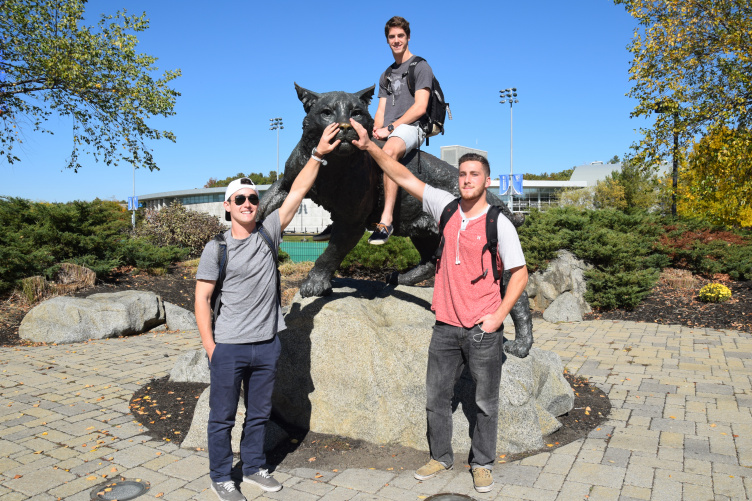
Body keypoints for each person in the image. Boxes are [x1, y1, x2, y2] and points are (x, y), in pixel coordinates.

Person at [350, 118, 528, 493]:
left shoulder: (498, 223)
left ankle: (481, 463)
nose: (466, 180)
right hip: (445, 325)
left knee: (485, 403)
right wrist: (369, 147)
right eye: (462, 174)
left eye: (474, 175)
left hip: (482, 330)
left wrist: (497, 318)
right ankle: (440, 457)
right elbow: (400, 173)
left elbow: (520, 274)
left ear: (486, 180)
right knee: (437, 398)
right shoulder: (444, 206)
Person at [195, 123, 341, 501]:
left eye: (252, 199)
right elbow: (201, 299)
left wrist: (318, 155)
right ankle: (221, 475)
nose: (247, 204)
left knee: (259, 414)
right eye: (239, 199)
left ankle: (256, 465)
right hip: (229, 347)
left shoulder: (269, 232)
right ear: (227, 206)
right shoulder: (217, 248)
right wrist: (211, 346)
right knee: (222, 417)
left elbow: (297, 191)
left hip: (266, 345)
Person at [369, 16, 434, 245]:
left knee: (388, 153)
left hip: (412, 127)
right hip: (389, 128)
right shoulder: (386, 73)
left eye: (400, 36)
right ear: (387, 40)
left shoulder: (420, 66)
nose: (396, 40)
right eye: (392, 37)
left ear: (408, 37)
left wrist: (390, 128)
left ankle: (386, 221)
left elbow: (420, 107)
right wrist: (375, 130)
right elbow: (381, 109)